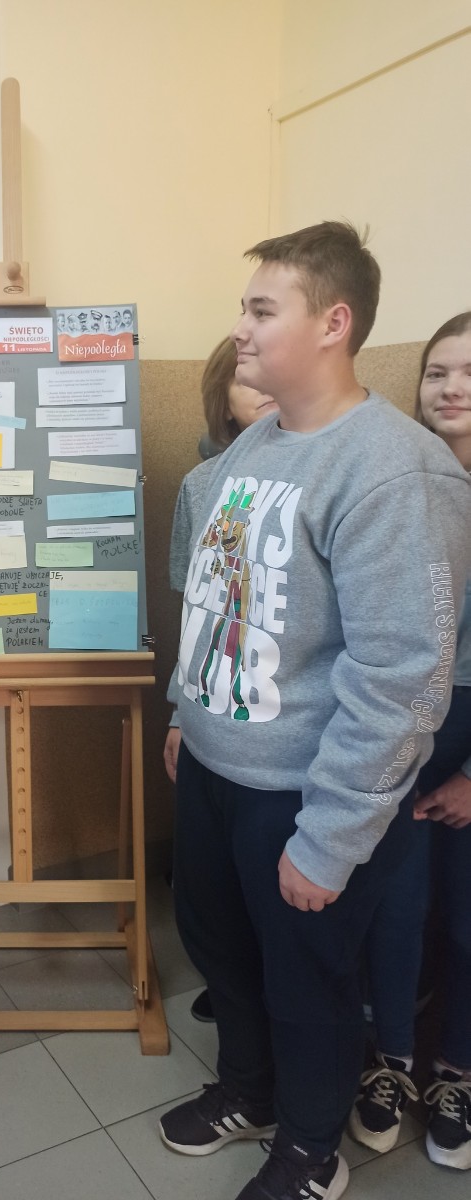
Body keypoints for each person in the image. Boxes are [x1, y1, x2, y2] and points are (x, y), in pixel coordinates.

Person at [157, 220, 471, 1200]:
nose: (241, 329)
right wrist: (183, 712)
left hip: (300, 790)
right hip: (214, 768)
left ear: (333, 323)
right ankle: (249, 1092)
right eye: (244, 309)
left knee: (308, 982)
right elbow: (212, 602)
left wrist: (331, 835)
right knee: (223, 952)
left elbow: (401, 678)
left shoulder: (395, 470)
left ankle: (308, 1149)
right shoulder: (253, 447)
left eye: (262, 309)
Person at [349, 311, 471, 1170]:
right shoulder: (398, 482)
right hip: (396, 729)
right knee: (393, 909)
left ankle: (455, 1071)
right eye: (436, 372)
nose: (451, 388)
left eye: (470, 374)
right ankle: (389, 1059)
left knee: (464, 919)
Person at [165, 337, 277, 1024]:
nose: (261, 387)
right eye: (243, 379)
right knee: (209, 893)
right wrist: (179, 714)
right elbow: (194, 612)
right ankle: (238, 1011)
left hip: (281, 732)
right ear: (222, 400)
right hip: (210, 713)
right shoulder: (202, 485)